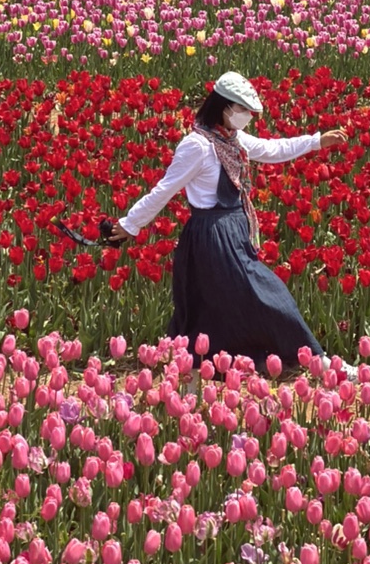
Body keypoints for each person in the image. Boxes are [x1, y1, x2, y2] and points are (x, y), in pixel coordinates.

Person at [110, 71, 354, 378]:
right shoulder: (197, 146)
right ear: (224, 107)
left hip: (234, 230)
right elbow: (165, 189)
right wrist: (130, 224)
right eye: (242, 110)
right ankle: (319, 361)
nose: (247, 117)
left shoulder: (231, 140)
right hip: (212, 237)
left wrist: (317, 141)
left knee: (224, 304)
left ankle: (236, 362)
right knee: (268, 295)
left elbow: (271, 149)